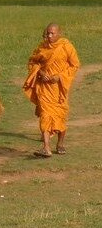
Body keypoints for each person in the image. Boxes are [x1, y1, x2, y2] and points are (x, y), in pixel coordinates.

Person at [23, 23, 80, 157]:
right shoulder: (42, 47)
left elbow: (75, 65)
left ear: (59, 34)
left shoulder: (66, 46)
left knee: (60, 116)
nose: (49, 36)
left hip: (59, 88)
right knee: (45, 115)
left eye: (52, 33)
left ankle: (60, 143)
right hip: (44, 88)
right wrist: (40, 72)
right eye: (47, 33)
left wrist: (59, 77)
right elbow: (32, 62)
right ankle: (46, 147)